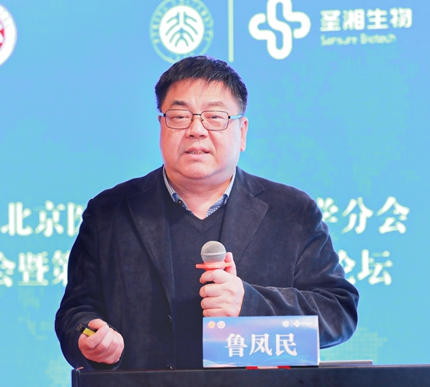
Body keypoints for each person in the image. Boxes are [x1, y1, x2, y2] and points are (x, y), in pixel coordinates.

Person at [55, 56, 359, 370]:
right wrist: (89, 337)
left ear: (242, 132)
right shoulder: (109, 213)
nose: (196, 130)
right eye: (180, 116)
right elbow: (76, 313)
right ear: (161, 126)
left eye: (215, 117)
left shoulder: (292, 213)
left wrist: (249, 304)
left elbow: (338, 314)